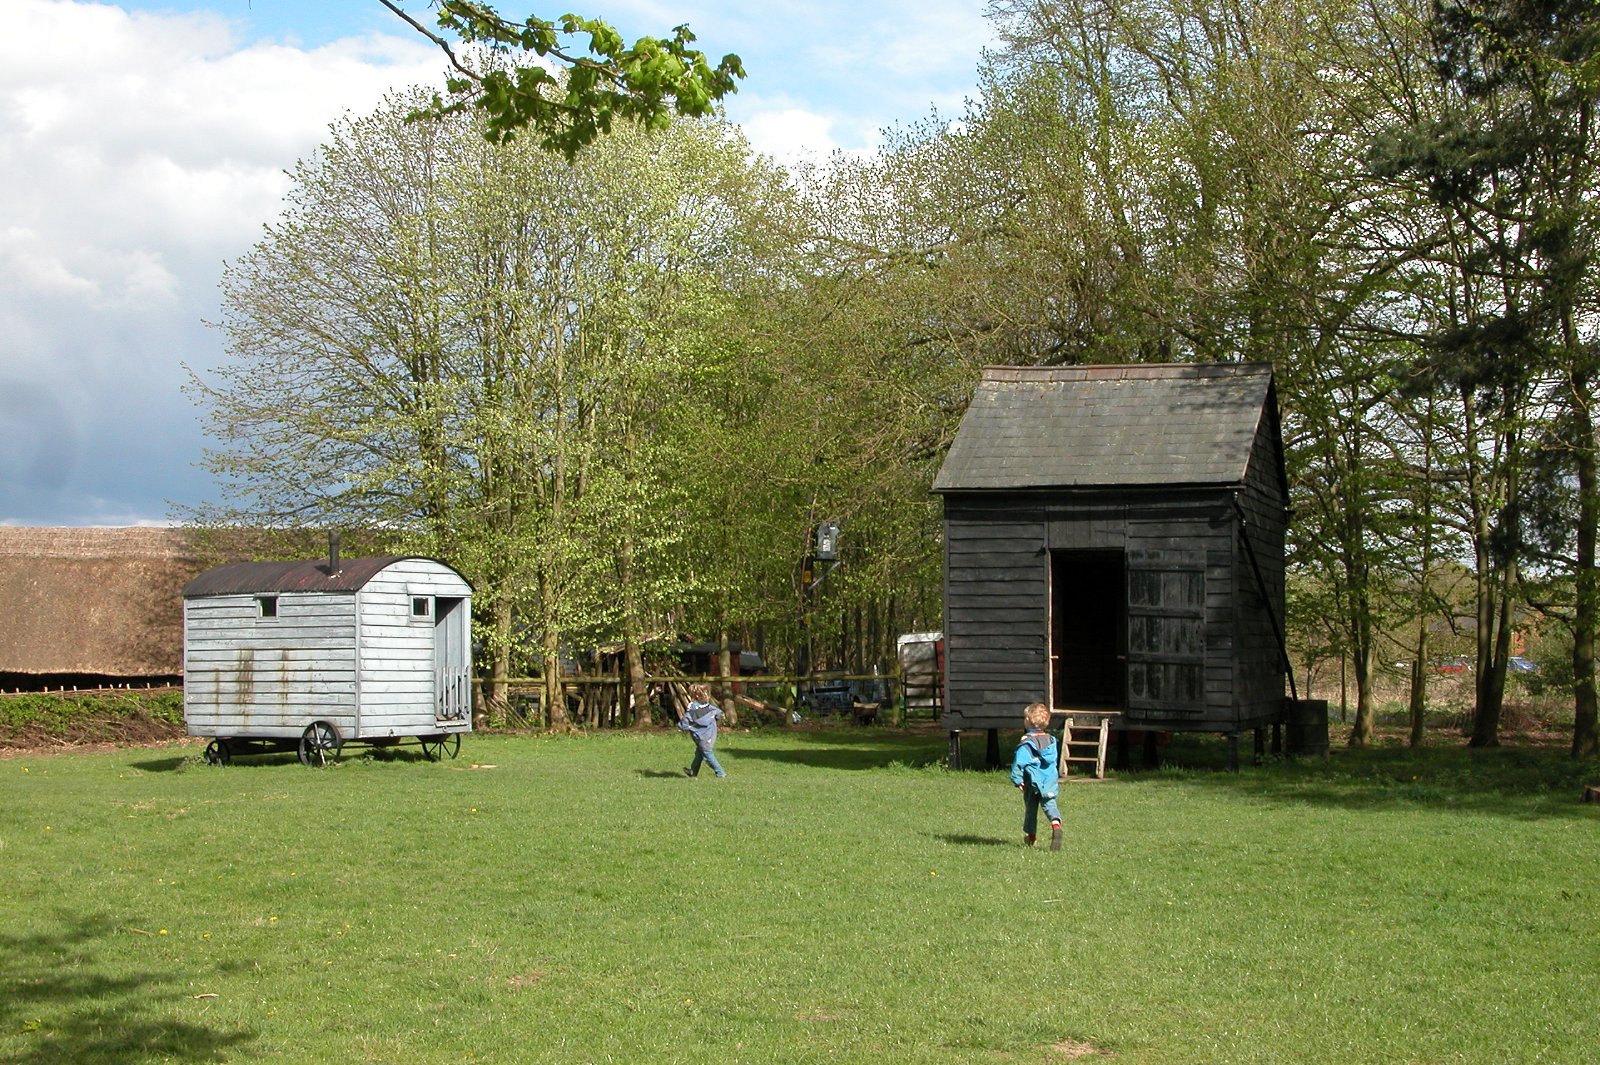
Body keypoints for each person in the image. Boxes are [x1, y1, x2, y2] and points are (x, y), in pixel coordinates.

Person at [1010, 701, 1061, 849]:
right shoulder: (1051, 741)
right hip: (1049, 780)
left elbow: (1019, 763)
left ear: (1027, 721)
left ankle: (1031, 838)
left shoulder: (1027, 743)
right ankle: (1056, 825)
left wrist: (1017, 780)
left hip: (1032, 782)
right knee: (1050, 804)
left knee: (1031, 809)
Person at [677, 682, 726, 778]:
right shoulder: (708, 707)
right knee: (699, 752)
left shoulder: (692, 709)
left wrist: (682, 726)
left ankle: (720, 772)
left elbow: (686, 720)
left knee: (707, 754)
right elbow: (718, 713)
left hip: (701, 736)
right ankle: (693, 771)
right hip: (710, 735)